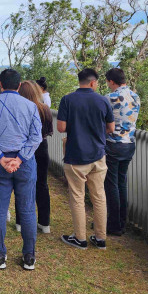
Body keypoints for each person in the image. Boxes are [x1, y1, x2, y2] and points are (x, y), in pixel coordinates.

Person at [0, 69, 43, 271]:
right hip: (25, 163)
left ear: (0, 83)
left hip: (0, 162)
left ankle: (0, 255)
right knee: (27, 210)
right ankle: (29, 256)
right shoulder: (31, 106)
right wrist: (20, 158)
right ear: (20, 84)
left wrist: (0, 157)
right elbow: (36, 137)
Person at [57, 68, 114, 250]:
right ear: (92, 83)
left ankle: (80, 238)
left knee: (77, 197)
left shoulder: (67, 99)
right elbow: (111, 128)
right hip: (98, 156)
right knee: (99, 197)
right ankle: (100, 238)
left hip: (76, 156)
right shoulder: (103, 100)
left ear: (81, 81)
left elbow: (61, 127)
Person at [104, 68, 140, 236]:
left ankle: (114, 225)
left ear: (112, 81)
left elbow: (103, 122)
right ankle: (122, 222)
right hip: (130, 144)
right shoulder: (135, 96)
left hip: (113, 144)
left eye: (107, 82)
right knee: (121, 182)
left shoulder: (110, 98)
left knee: (111, 184)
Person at [16, 81, 53, 234]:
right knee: (42, 185)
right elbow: (48, 130)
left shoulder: (19, 109)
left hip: (23, 149)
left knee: (22, 185)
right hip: (41, 148)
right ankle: (44, 222)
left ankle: (20, 221)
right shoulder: (44, 109)